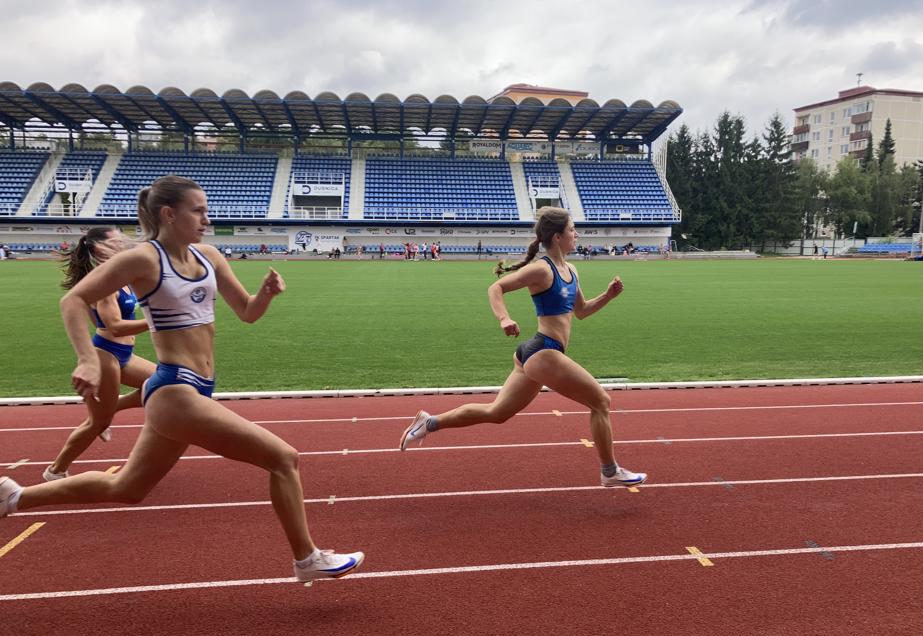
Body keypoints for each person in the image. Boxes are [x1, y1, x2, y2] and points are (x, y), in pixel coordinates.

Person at [0, 176, 362, 582]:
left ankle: (14, 496)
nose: (207, 219)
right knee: (283, 458)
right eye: (198, 211)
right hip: (175, 389)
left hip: (197, 388)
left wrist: (266, 294)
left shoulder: (209, 256)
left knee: (128, 489)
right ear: (169, 214)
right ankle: (307, 559)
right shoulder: (144, 259)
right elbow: (73, 299)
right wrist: (87, 359)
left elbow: (246, 312)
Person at [398, 206, 646, 488]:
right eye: (572, 230)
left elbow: (581, 311)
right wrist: (504, 318)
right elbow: (496, 288)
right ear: (557, 237)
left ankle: (428, 423)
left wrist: (608, 296)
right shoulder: (542, 269)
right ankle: (609, 471)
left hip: (535, 353)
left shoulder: (571, 270)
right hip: (544, 352)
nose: (576, 234)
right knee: (601, 401)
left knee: (497, 413)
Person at [43, 227, 157, 481]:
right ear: (100, 248)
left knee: (163, 383)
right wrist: (156, 321)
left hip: (124, 354)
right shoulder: (105, 283)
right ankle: (56, 470)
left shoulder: (120, 276)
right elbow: (114, 326)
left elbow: (100, 320)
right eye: (117, 240)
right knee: (98, 424)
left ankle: (110, 408)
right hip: (106, 355)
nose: (124, 243)